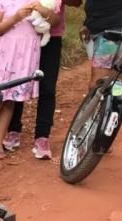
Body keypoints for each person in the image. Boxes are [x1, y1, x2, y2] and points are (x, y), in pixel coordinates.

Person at [0, 1, 60, 159]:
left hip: (25, 57)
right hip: (4, 54)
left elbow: (55, 21)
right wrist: (15, 18)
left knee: (11, 99)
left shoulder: (41, 1)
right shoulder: (3, 1)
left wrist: (42, 10)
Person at [5, 1, 77, 160]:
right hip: (21, 35)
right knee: (19, 82)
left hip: (52, 37)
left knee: (48, 86)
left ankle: (42, 137)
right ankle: (13, 129)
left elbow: (76, 3)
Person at [78, 0, 122, 89]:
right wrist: (88, 23)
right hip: (108, 27)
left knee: (98, 85)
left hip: (112, 32)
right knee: (117, 79)